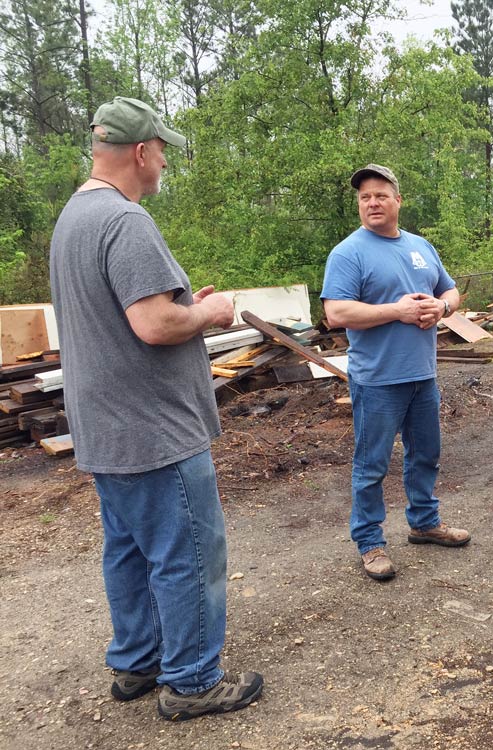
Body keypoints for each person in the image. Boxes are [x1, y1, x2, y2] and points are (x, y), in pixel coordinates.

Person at [49, 97, 264, 720]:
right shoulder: (126, 220)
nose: (165, 160)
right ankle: (193, 680)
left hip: (104, 427)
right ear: (141, 152)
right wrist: (209, 313)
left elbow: (128, 313)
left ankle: (137, 661)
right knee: (189, 549)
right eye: (162, 149)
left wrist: (180, 310)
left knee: (128, 547)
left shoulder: (74, 218)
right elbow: (153, 323)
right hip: (153, 430)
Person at [322, 164, 468, 582]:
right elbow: (336, 312)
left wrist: (442, 308)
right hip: (377, 379)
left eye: (380, 195)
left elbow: (451, 290)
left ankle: (424, 523)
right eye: (365, 197)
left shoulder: (420, 246)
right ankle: (369, 542)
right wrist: (398, 311)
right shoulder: (349, 252)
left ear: (398, 201)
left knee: (426, 454)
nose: (372, 202)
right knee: (372, 465)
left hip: (422, 375)